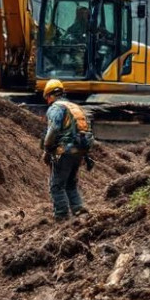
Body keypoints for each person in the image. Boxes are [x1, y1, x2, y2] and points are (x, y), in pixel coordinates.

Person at [41, 78, 93, 219]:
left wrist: (46, 149)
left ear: (50, 95)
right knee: (70, 183)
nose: (48, 101)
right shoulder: (74, 107)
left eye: (47, 98)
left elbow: (54, 130)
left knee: (56, 185)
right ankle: (78, 209)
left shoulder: (56, 108)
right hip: (80, 150)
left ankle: (62, 216)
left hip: (65, 151)